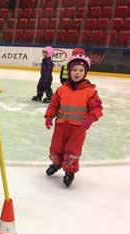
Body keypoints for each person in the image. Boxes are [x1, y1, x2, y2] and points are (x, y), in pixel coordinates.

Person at [44, 54, 103, 187]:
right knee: (56, 148)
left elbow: (97, 108)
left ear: (85, 73)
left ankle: (69, 172)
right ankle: (56, 163)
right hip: (61, 126)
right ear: (69, 71)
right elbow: (53, 104)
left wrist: (91, 118)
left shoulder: (90, 91)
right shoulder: (62, 89)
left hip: (78, 128)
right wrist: (49, 116)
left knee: (72, 151)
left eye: (81, 70)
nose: (77, 73)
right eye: (74, 70)